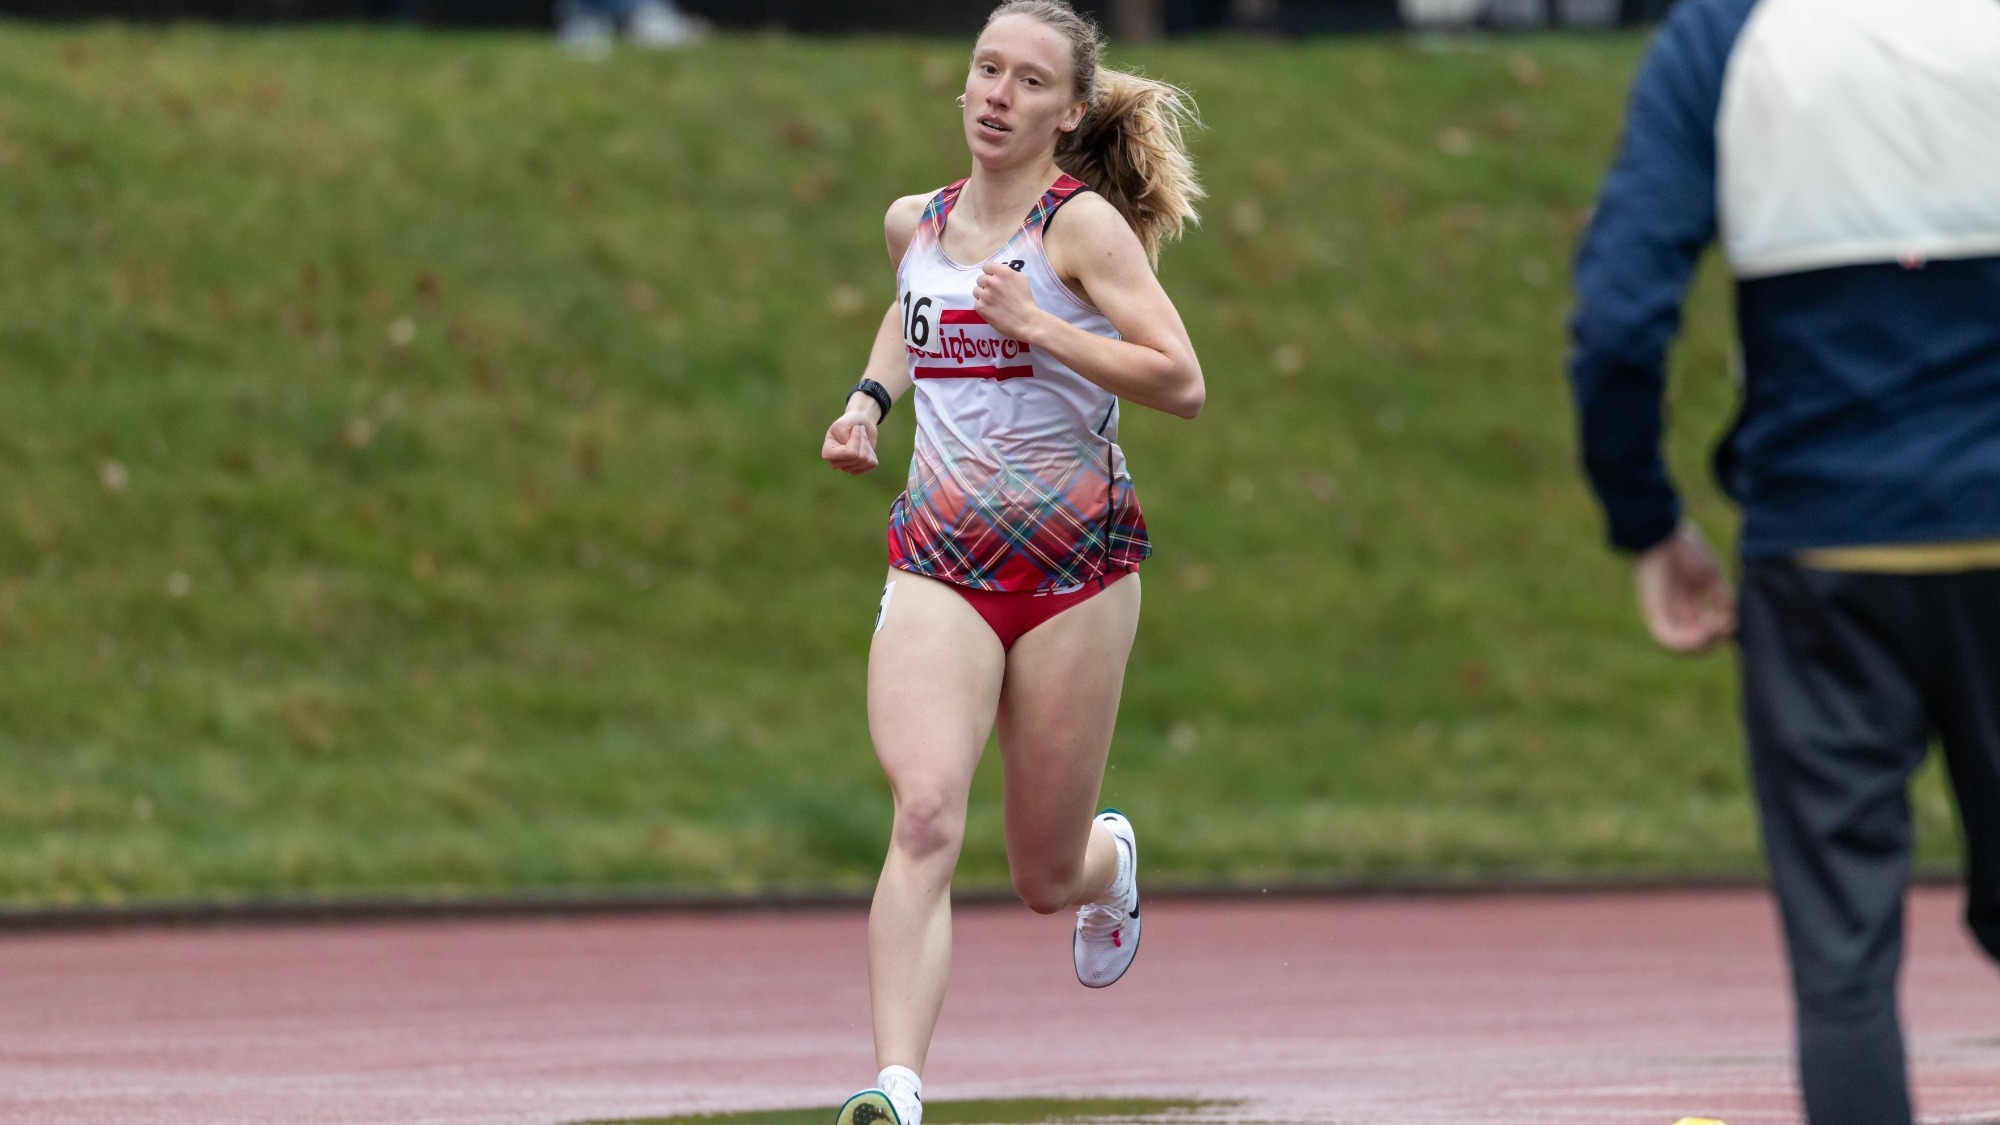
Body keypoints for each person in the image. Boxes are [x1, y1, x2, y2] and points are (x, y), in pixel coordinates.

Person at [1567, 1, 2000, 1122]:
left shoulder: (1722, 39)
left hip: (1823, 548)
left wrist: (1644, 517)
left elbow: (1618, 321)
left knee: (1841, 960)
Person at [818, 3, 1204, 1122]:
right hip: (939, 560)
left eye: (1027, 81)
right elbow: (911, 309)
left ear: (1067, 111)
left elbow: (1178, 380)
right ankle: (895, 1091)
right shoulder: (915, 222)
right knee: (926, 814)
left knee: (1040, 875)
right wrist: (866, 404)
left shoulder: (1079, 233)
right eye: (985, 70)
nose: (996, 94)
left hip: (1073, 573)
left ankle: (1107, 864)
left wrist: (1043, 329)